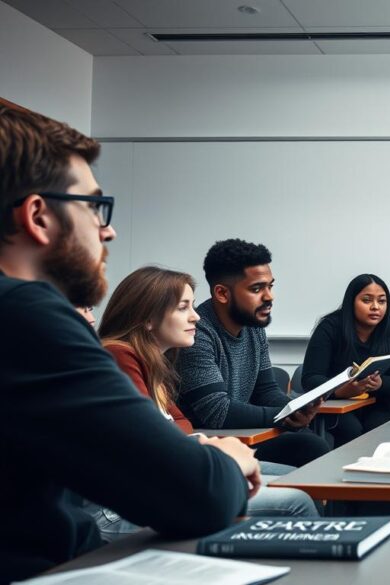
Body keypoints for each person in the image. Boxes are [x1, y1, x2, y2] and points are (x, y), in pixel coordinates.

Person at [0, 106, 252, 583]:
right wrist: (227, 459)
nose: (108, 229)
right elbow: (194, 494)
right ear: (38, 216)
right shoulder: (25, 314)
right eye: (95, 207)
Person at [94, 265, 319, 541]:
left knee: (297, 478)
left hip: (160, 483)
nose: (195, 317)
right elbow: (152, 441)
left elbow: (179, 425)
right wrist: (211, 447)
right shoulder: (120, 355)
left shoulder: (153, 363)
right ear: (148, 318)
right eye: (183, 307)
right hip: (118, 508)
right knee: (296, 500)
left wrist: (201, 445)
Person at [175, 239, 330, 467]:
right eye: (256, 289)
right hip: (209, 447)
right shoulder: (196, 334)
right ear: (222, 293)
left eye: (270, 286)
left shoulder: (253, 327)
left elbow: (265, 390)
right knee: (311, 448)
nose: (269, 297)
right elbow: (218, 412)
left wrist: (294, 409)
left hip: (243, 436)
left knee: (314, 445)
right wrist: (283, 415)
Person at [301, 274, 390, 445]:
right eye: (367, 300)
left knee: (377, 429)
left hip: (381, 403)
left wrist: (381, 384)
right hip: (337, 405)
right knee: (351, 430)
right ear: (351, 302)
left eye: (382, 301)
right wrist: (341, 391)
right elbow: (310, 379)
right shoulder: (329, 328)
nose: (375, 307)